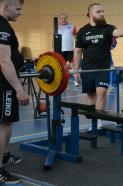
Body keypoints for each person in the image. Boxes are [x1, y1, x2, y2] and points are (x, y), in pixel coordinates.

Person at [74, 3, 123, 129]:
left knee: (102, 92)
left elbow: (118, 32)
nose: (101, 14)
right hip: (88, 68)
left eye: (102, 11)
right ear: (90, 14)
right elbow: (78, 51)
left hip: (103, 67)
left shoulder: (107, 28)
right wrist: (76, 70)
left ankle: (98, 121)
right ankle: (93, 120)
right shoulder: (83, 31)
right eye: (98, 11)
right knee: (91, 95)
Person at [0, 0, 29, 184]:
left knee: (7, 123)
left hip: (7, 83)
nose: (20, 12)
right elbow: (4, 60)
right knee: (3, 125)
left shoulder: (4, 25)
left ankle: (3, 156)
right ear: (5, 6)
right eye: (17, 9)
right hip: (4, 83)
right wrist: (19, 89)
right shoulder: (1, 26)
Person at [58, 12, 79, 87]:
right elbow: (54, 40)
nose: (63, 19)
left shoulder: (72, 26)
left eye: (65, 18)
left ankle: (76, 81)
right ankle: (60, 82)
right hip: (60, 50)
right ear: (59, 19)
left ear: (67, 18)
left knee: (73, 65)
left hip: (70, 50)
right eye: (62, 18)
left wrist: (78, 48)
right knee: (60, 66)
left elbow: (77, 38)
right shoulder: (56, 28)